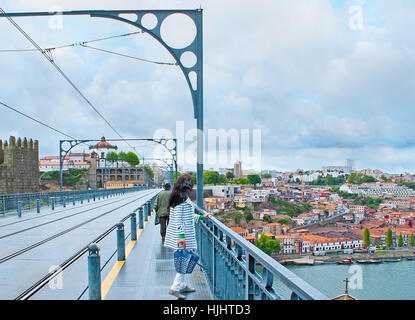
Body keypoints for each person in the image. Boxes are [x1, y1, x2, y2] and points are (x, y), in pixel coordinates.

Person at [164, 174, 211, 299]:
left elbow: (187, 216)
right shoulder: (181, 198)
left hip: (182, 235)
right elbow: (179, 219)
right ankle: (174, 287)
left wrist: (201, 217)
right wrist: (181, 236)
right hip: (182, 236)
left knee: (184, 259)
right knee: (183, 260)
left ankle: (182, 285)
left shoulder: (178, 196)